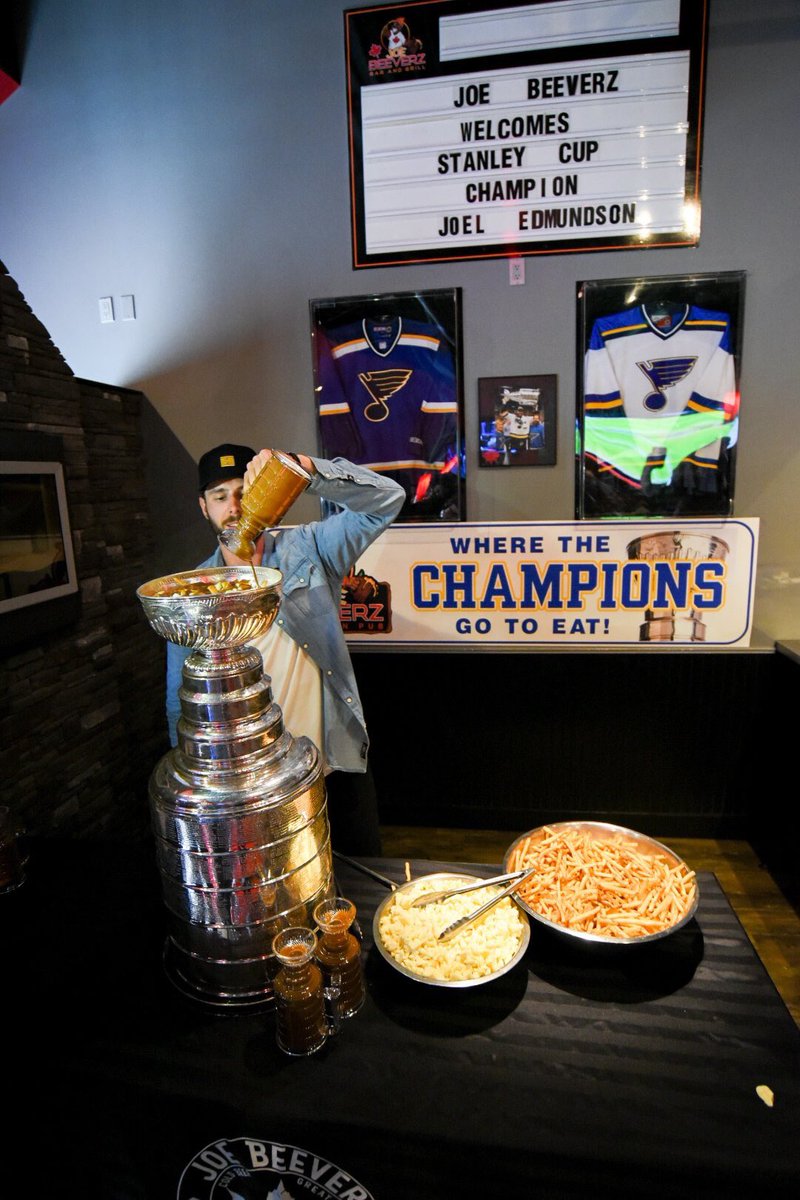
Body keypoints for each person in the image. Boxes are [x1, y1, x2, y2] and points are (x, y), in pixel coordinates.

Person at [165, 443, 405, 855]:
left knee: (360, 882)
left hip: (332, 766)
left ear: (266, 491)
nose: (233, 506)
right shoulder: (191, 594)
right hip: (254, 790)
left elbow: (386, 501)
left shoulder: (310, 549)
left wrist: (305, 470)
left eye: (244, 491)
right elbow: (180, 703)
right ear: (203, 507)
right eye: (219, 497)